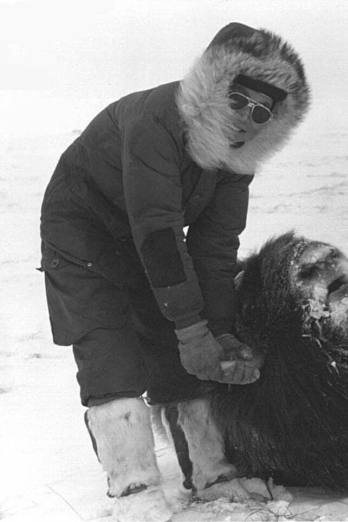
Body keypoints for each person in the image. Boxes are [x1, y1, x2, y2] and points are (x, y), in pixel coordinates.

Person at [39, 22, 310, 521]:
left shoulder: (237, 161)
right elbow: (159, 230)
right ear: (213, 88)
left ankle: (210, 473)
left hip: (147, 240)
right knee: (111, 353)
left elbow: (214, 248)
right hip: (82, 232)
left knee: (178, 351)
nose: (247, 119)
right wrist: (192, 329)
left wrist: (218, 332)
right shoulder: (155, 122)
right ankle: (134, 489)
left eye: (262, 112)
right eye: (239, 101)